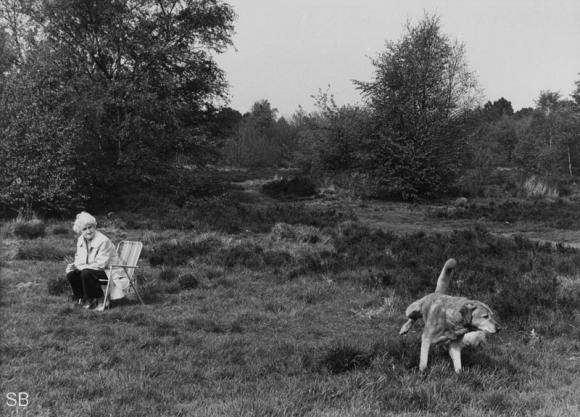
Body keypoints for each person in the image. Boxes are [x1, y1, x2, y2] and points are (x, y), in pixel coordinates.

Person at [66, 211, 129, 310]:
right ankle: (85, 299)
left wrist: (81, 267)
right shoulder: (80, 240)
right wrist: (74, 266)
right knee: (71, 274)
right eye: (84, 229)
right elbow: (78, 259)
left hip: (110, 271)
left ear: (94, 226)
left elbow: (100, 264)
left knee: (86, 273)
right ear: (80, 231)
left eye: (90, 227)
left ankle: (100, 298)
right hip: (91, 269)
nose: (88, 231)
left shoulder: (103, 241)